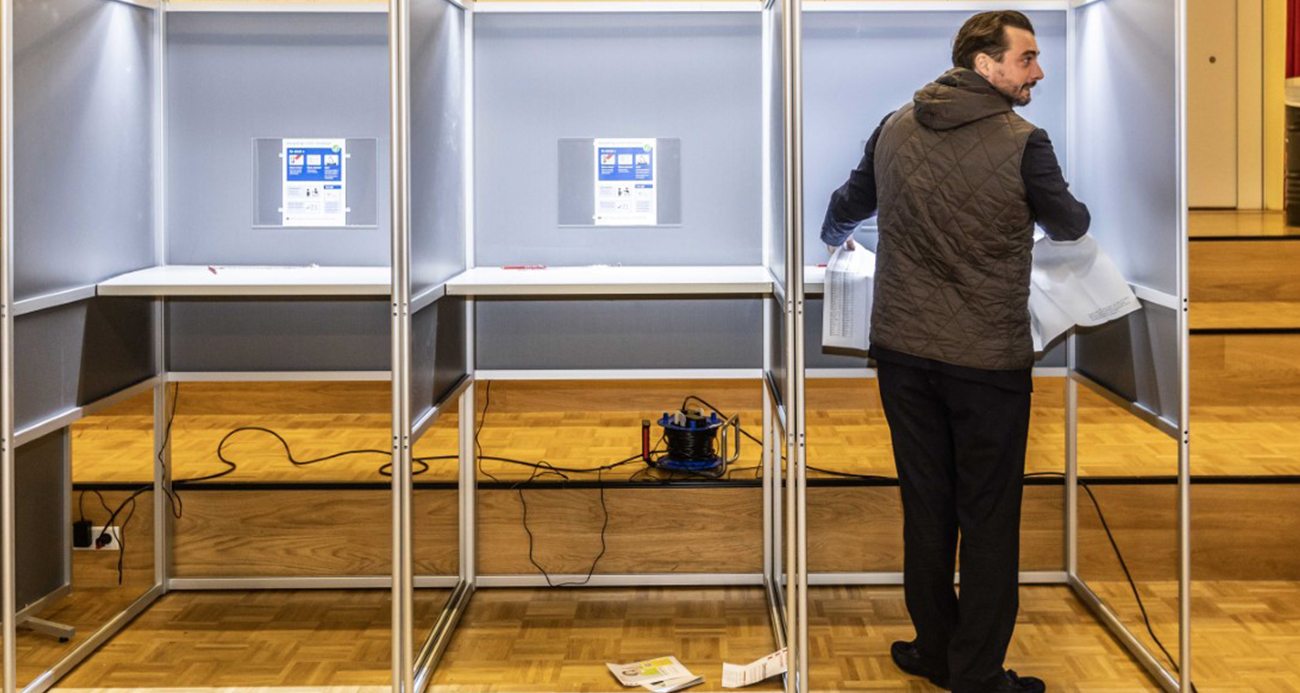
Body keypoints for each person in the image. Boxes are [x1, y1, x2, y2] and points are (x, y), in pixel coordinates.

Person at [820, 11, 1090, 693]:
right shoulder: (1024, 142)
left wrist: (834, 237)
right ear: (984, 64)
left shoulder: (893, 125)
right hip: (986, 362)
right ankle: (978, 674)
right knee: (988, 516)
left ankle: (934, 650)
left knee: (927, 506)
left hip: (903, 355)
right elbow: (1070, 223)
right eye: (1026, 58)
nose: (1038, 72)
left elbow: (846, 204)